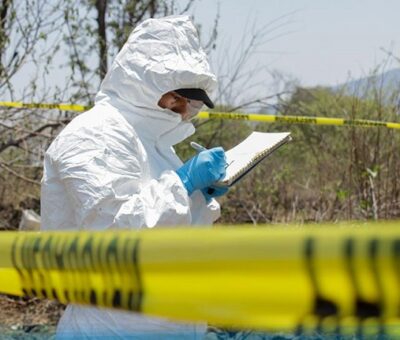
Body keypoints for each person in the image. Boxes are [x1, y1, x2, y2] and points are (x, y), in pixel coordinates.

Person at [41, 15, 228, 339]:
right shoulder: (94, 135)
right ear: (143, 82)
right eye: (178, 96)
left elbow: (169, 232)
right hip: (110, 328)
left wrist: (199, 196)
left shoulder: (152, 143)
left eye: (192, 101)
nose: (183, 109)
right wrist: (183, 183)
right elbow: (113, 229)